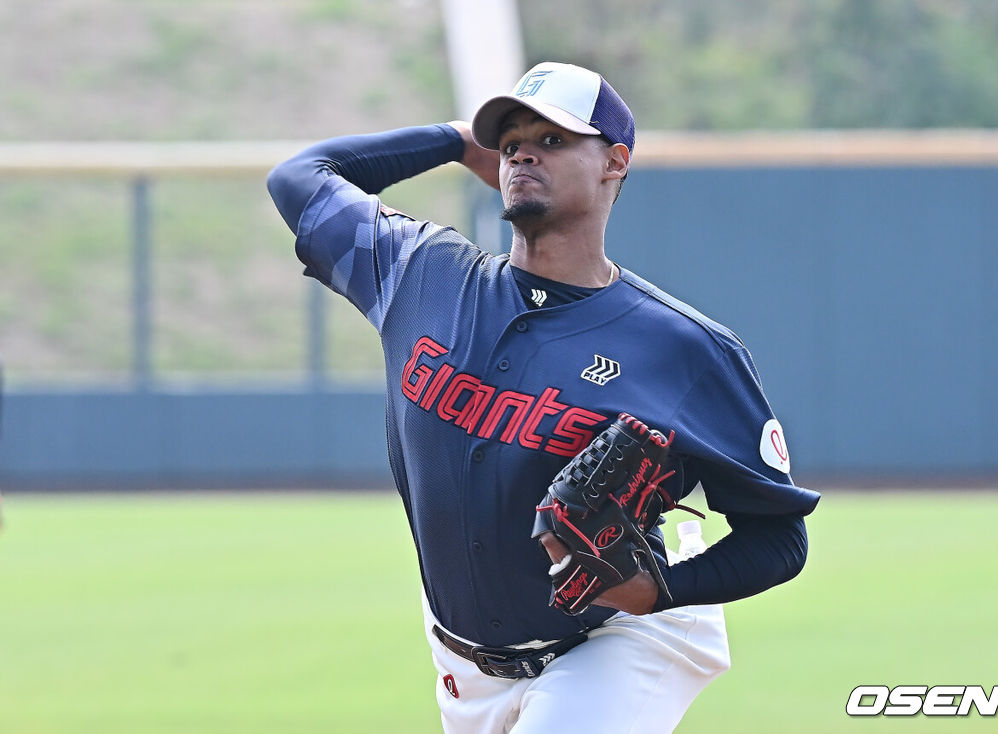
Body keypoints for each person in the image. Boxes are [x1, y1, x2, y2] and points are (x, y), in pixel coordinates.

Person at [267, 61, 820, 733]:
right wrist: (450, 137)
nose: (523, 151)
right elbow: (299, 178)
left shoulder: (684, 349)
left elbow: (779, 536)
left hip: (617, 643)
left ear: (614, 162)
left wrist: (659, 591)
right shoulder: (421, 275)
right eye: (509, 141)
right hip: (462, 663)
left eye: (553, 140)